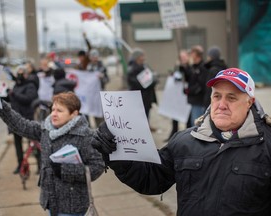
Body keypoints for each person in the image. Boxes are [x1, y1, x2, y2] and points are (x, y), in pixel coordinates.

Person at [91, 68, 271, 215]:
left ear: (250, 102)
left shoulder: (266, 144)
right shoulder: (185, 141)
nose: (222, 104)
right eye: (217, 96)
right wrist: (117, 152)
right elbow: (151, 178)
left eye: (231, 98)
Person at [0, 91, 105, 216]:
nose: (54, 114)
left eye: (59, 111)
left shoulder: (86, 136)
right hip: (50, 202)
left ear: (74, 114)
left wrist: (65, 170)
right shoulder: (46, 130)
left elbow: (98, 167)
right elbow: (20, 125)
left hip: (73, 206)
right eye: (53, 109)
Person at [8, 65, 38, 174]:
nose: (19, 75)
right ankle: (20, 165)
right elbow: (11, 99)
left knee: (33, 143)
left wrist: (14, 94)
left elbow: (28, 99)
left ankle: (39, 165)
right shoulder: (15, 85)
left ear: (26, 74)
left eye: (22, 73)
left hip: (26, 118)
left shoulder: (30, 85)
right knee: (17, 144)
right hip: (15, 119)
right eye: (18, 73)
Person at [126, 48, 157, 130]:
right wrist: (151, 82)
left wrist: (153, 78)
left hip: (147, 96)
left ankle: (146, 127)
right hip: (139, 97)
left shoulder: (144, 66)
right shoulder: (132, 69)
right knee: (139, 115)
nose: (144, 57)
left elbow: (150, 76)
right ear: (137, 57)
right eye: (142, 56)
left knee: (146, 113)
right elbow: (138, 84)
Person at [182, 45, 208, 126]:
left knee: (196, 124)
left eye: (192, 53)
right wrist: (185, 65)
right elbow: (188, 78)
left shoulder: (203, 67)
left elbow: (201, 85)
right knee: (191, 123)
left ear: (196, 55)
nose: (190, 55)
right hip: (194, 100)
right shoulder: (193, 66)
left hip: (199, 100)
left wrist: (190, 91)